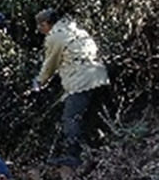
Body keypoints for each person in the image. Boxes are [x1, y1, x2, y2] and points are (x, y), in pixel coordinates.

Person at [32, 9, 110, 167]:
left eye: (40, 27)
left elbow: (50, 64)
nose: (40, 31)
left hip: (81, 80)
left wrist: (39, 82)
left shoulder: (55, 36)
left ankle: (73, 156)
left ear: (46, 24)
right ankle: (98, 149)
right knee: (90, 115)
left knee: (70, 117)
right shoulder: (77, 30)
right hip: (98, 75)